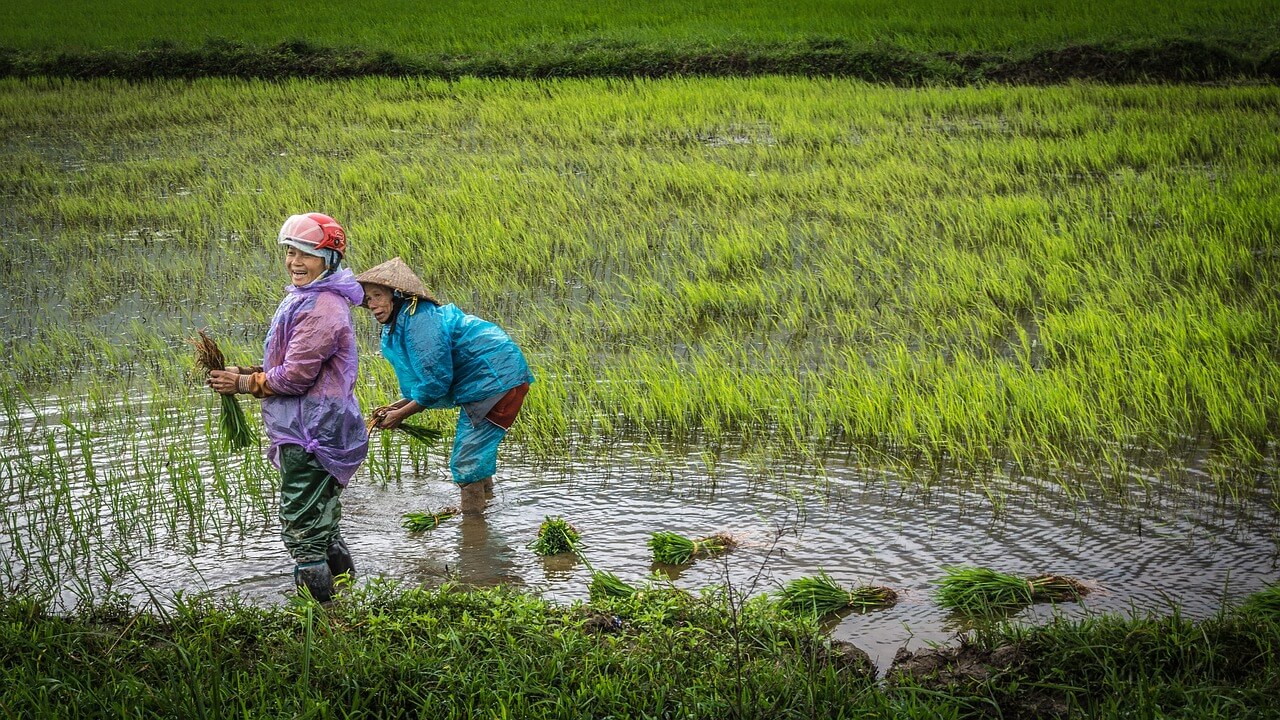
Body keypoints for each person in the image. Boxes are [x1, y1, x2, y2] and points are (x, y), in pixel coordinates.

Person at [207, 212, 369, 602]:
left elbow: (295, 377)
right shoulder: (309, 298)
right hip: (319, 426)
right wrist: (246, 371)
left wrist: (244, 383)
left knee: (303, 530)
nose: (295, 261)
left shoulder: (321, 308)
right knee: (323, 523)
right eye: (290, 251)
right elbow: (292, 365)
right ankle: (349, 602)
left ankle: (320, 619)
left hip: (311, 432)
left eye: (306, 254)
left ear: (328, 259)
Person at [356, 257, 533, 514]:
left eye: (377, 295)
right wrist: (395, 407)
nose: (372, 304)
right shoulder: (403, 320)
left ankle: (473, 532)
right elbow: (428, 381)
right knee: (476, 454)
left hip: (495, 379)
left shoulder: (419, 320)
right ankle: (488, 507)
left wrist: (400, 415)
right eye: (368, 298)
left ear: (396, 295)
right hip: (489, 378)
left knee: (466, 461)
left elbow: (436, 382)